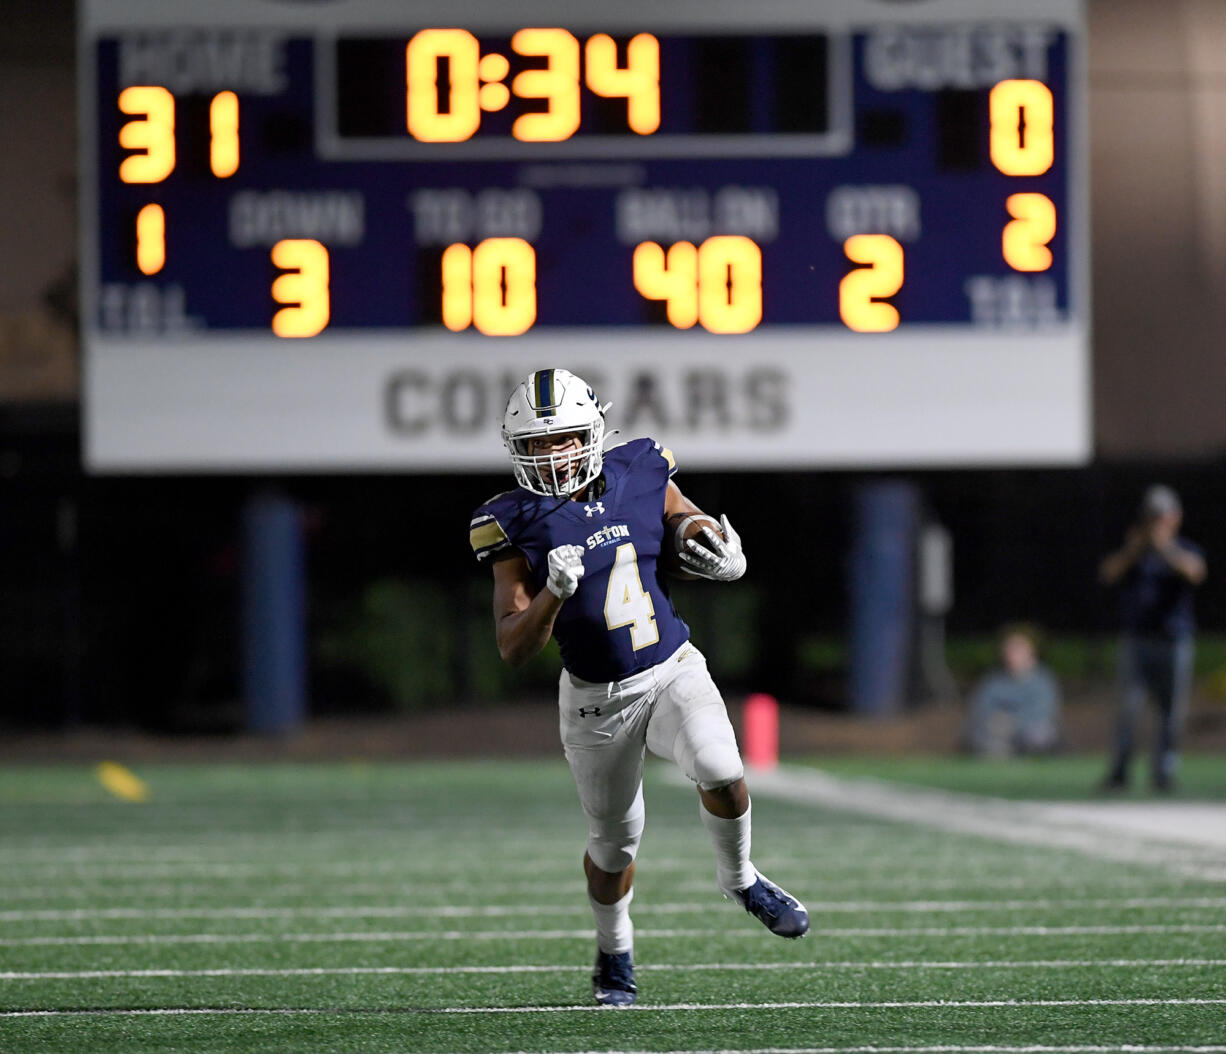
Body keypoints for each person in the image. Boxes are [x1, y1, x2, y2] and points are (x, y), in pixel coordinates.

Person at [469, 368, 808, 1008]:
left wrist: (719, 548)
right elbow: (513, 647)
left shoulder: (642, 466)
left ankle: (739, 878)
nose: (551, 456)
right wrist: (551, 595)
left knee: (720, 766)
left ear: (593, 433)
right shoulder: (509, 521)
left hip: (671, 665)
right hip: (597, 700)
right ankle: (615, 948)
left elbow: (681, 517)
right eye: (536, 446)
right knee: (614, 844)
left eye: (564, 439)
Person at [1097, 484, 1206, 792]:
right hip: (1138, 640)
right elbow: (1107, 573)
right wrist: (1135, 550)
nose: (1157, 522)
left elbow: (1196, 573)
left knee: (1171, 713)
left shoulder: (1184, 549)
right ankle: (1119, 772)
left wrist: (1165, 548)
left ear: (1175, 517)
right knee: (1128, 709)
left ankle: (1164, 773)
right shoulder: (1136, 552)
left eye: (1162, 516)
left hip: (1175, 640)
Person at [962, 624, 1062, 757]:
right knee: (978, 736)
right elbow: (981, 708)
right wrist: (995, 723)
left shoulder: (1043, 681)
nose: (1012, 654)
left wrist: (1011, 723)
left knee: (1040, 734)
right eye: (1010, 649)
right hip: (997, 734)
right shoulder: (993, 681)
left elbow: (1041, 714)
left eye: (1018, 649)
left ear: (1031, 651)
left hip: (1028, 734)